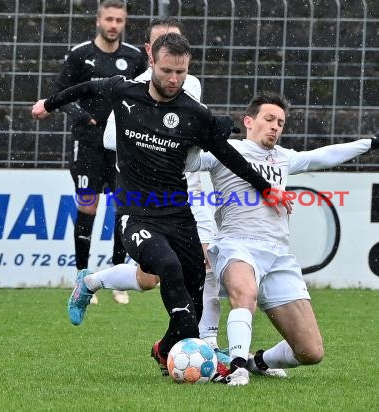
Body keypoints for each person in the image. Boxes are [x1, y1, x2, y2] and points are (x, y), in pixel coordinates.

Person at [31, 33, 290, 377]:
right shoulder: (125, 92)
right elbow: (85, 88)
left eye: (181, 73)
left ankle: (167, 350)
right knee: (167, 268)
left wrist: (265, 187)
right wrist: (49, 105)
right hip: (136, 213)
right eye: (167, 70)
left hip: (178, 214)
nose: (173, 80)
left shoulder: (193, 113)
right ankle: (194, 347)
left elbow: (227, 155)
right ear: (152, 61)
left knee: (196, 288)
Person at [184, 92, 379, 385]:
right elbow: (188, 163)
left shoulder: (284, 158)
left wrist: (372, 143)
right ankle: (235, 368)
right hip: (236, 244)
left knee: (310, 351)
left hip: (278, 255)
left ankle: (256, 362)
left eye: (280, 122)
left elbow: (324, 155)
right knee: (245, 295)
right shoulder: (225, 151)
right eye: (269, 119)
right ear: (249, 121)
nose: (275, 126)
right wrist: (197, 133)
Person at [101, 17, 223, 354]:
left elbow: (196, 132)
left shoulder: (191, 84)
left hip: (192, 187)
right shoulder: (131, 89)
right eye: (164, 43)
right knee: (150, 277)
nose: (174, 69)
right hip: (151, 195)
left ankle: (205, 341)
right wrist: (153, 145)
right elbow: (111, 137)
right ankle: (95, 280)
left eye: (178, 42)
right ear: (151, 53)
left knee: (205, 261)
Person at [54, 0, 146, 300]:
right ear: (98, 20)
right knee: (88, 206)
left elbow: (145, 94)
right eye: (109, 19)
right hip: (88, 145)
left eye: (119, 20)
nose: (113, 25)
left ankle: (117, 276)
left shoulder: (133, 57)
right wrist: (82, 115)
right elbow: (59, 95)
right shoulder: (81, 55)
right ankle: (82, 277)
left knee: (122, 209)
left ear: (125, 22)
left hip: (121, 145)